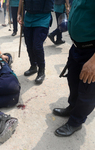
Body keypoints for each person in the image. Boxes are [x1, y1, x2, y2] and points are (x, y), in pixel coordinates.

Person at [53, 0, 95, 137]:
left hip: (91, 54)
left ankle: (76, 121)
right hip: (77, 48)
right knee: (73, 81)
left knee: (87, 92)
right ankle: (72, 108)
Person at [17, 0, 53, 84]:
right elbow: (21, 0)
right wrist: (19, 14)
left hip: (43, 17)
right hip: (29, 17)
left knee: (37, 46)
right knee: (29, 45)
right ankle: (33, 66)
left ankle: (41, 70)